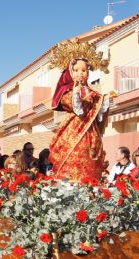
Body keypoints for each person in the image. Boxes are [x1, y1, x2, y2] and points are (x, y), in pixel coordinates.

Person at [48, 47, 111, 181]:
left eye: (84, 70)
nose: (80, 73)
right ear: (70, 72)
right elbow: (77, 110)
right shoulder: (68, 92)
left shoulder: (93, 92)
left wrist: (105, 100)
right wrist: (76, 94)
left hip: (90, 130)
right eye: (76, 70)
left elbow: (98, 113)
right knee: (72, 153)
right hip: (73, 128)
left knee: (91, 156)